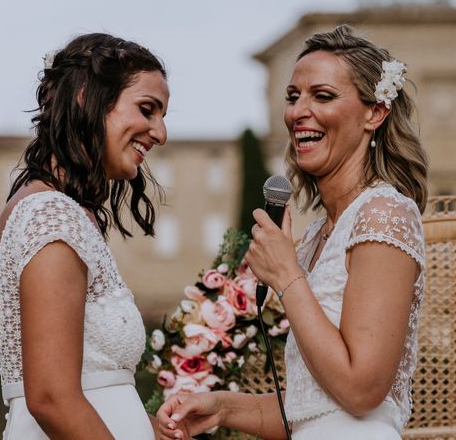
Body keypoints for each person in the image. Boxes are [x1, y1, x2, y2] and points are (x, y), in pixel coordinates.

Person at [157, 25, 428, 439]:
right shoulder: (320, 232)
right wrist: (221, 406)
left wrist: (285, 276)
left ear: (375, 112)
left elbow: (360, 392)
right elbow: (313, 407)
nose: (297, 111)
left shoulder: (384, 214)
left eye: (322, 96)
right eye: (292, 97)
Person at [0, 33, 170, 439]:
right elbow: (51, 397)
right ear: (87, 98)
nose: (160, 133)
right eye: (147, 110)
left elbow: (91, 386)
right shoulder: (50, 215)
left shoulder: (49, 209)